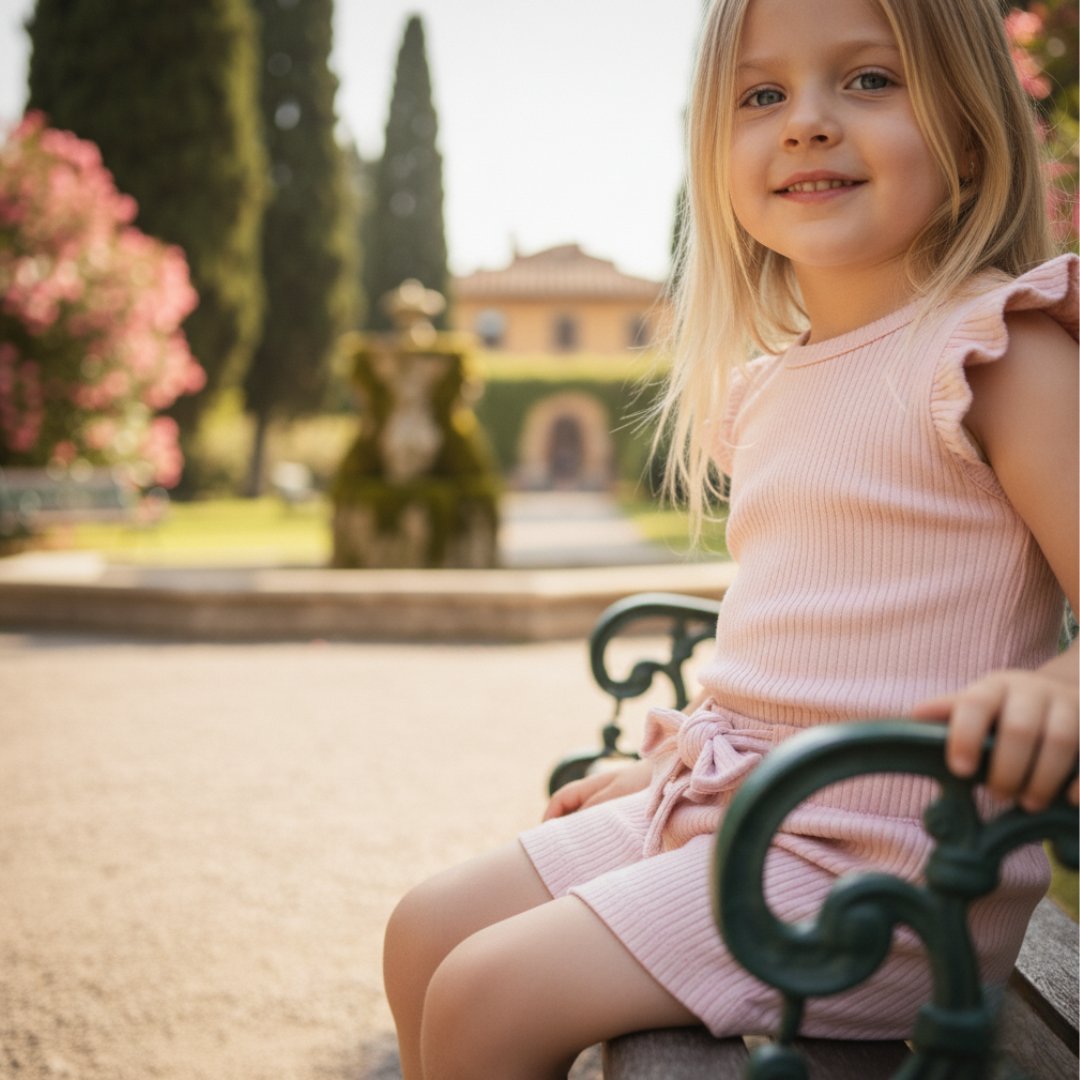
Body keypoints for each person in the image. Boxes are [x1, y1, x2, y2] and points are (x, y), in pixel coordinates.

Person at [382, 0, 1079, 1076]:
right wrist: (679, 758)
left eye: (868, 80)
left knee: (487, 993)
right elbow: (797, 641)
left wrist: (1063, 691)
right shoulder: (772, 386)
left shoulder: (994, 349)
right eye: (762, 96)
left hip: (883, 882)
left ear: (973, 127)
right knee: (426, 931)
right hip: (748, 818)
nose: (805, 122)